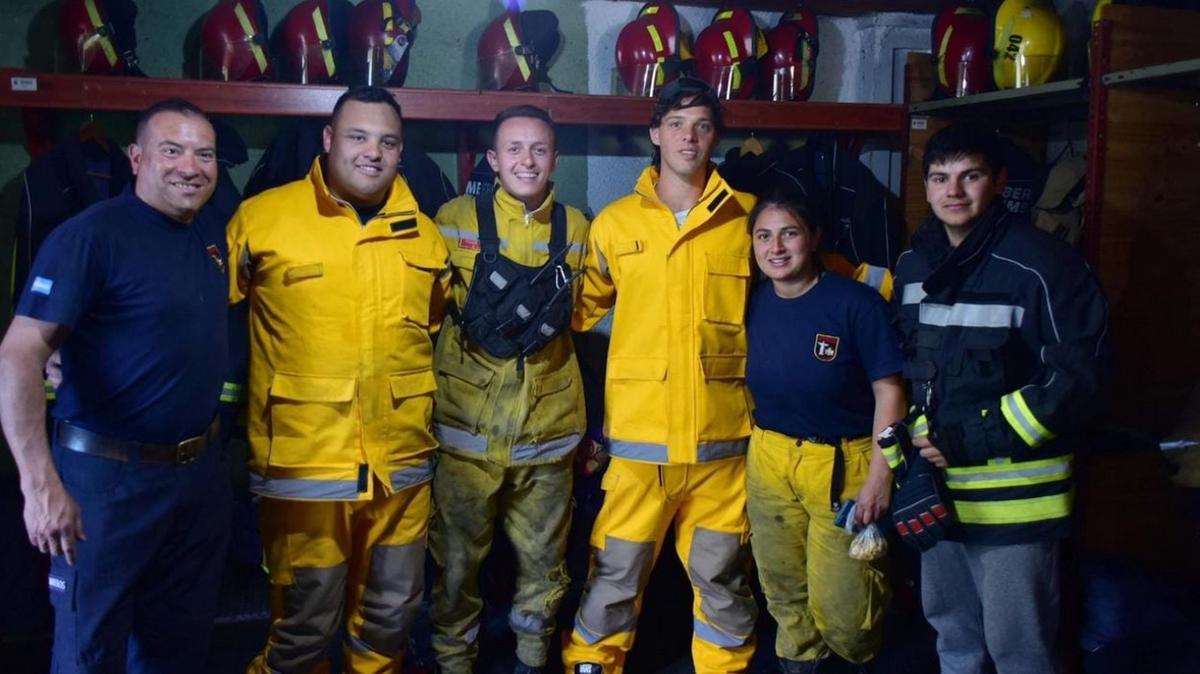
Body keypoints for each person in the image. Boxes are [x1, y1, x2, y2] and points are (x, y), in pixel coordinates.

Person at [0, 98, 231, 673]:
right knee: (90, 648)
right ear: (136, 158)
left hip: (194, 480)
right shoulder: (90, 236)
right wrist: (39, 486)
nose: (190, 166)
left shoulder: (208, 237)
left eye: (204, 154)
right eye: (171, 150)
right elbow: (20, 352)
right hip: (106, 485)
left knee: (177, 646)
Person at [228, 85, 450, 674]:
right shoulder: (263, 218)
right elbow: (203, 315)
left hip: (400, 474)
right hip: (306, 470)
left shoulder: (424, 234)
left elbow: (429, 327)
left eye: (387, 141)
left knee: (390, 621)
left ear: (402, 151)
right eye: (357, 137)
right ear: (328, 140)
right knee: (301, 629)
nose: (372, 152)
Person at [893, 123, 1108, 673]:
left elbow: (1076, 383)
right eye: (940, 178)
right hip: (938, 496)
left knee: (1021, 651)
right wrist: (905, 461)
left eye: (971, 176)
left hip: (1016, 509)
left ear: (999, 182)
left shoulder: (1045, 266)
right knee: (954, 639)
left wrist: (963, 436)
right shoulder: (915, 266)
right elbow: (913, 373)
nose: (954, 191)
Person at [562, 77, 759, 674]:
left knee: (722, 583)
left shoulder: (748, 219)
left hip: (721, 447)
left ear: (715, 136)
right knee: (613, 576)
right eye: (676, 124)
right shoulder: (615, 225)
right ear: (655, 134)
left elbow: (810, 282)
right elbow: (574, 311)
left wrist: (890, 287)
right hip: (638, 449)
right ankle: (592, 664)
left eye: (701, 125)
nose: (689, 137)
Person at [429, 104, 589, 674]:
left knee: (544, 562)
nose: (527, 160)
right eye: (514, 149)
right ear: (493, 160)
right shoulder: (453, 218)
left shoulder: (577, 228)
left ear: (555, 160)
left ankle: (531, 656)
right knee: (453, 563)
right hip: (466, 432)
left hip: (548, 435)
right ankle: (454, 660)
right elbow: (422, 308)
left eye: (539, 149)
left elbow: (589, 317)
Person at [743, 194, 905, 674]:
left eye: (789, 233)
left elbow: (890, 393)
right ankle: (799, 665)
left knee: (845, 608)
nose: (776, 247)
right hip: (770, 458)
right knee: (783, 588)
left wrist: (880, 477)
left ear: (813, 239)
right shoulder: (752, 304)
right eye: (763, 235)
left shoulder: (855, 304)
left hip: (842, 463)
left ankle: (857, 659)